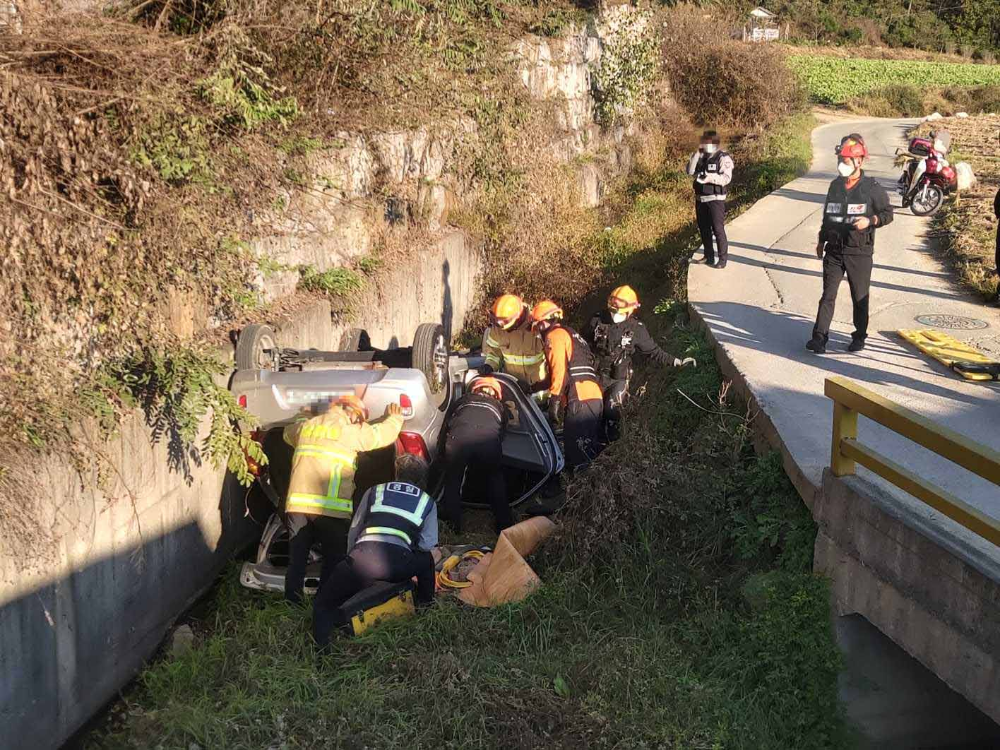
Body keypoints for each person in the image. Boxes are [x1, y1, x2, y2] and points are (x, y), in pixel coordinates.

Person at [282, 395, 404, 604]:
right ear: (351, 412)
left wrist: (305, 413)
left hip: (297, 507)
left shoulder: (306, 427)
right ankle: (325, 603)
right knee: (333, 560)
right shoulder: (348, 431)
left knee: (297, 560)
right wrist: (395, 418)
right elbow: (380, 435)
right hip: (331, 510)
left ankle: (292, 603)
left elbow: (287, 433)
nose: (359, 422)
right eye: (360, 417)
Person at [311, 454, 438, 649]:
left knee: (323, 605)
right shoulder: (427, 501)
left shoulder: (374, 491)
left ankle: (322, 653)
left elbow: (355, 528)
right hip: (398, 564)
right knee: (426, 560)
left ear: (396, 472)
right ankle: (425, 604)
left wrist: (351, 557)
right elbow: (427, 544)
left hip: (362, 560)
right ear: (421, 478)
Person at [808, 134, 893, 355]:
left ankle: (859, 336)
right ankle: (819, 338)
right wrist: (821, 239)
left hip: (860, 252)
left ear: (859, 161)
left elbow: (888, 214)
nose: (841, 166)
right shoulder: (835, 186)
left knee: (859, 296)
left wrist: (871, 220)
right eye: (839, 161)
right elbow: (829, 214)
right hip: (834, 250)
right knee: (828, 295)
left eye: (845, 162)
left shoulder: (872, 188)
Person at [584, 285, 696, 442]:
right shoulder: (596, 320)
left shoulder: (636, 329)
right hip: (595, 374)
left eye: (619, 312)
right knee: (590, 412)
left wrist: (677, 362)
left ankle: (610, 444)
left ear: (630, 311)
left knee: (612, 411)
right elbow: (582, 343)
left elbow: (654, 351)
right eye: (613, 310)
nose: (615, 315)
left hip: (618, 377)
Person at [531, 300, 604, 470]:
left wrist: (554, 401)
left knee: (576, 450)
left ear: (542, 323)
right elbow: (568, 369)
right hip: (593, 395)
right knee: (588, 446)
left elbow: (560, 372)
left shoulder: (554, 336)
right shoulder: (571, 333)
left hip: (579, 397)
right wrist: (533, 387)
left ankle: (577, 491)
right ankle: (593, 485)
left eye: (537, 326)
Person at [440, 376, 512, 534]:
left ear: (475, 389)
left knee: (453, 480)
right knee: (495, 479)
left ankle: (453, 527)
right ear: (496, 393)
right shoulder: (500, 407)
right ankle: (504, 525)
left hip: (457, 441)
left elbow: (448, 423)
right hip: (488, 443)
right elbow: (502, 434)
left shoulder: (462, 400)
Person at [482, 293, 547, 396]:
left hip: (538, 396)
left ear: (517, 319)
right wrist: (489, 365)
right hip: (513, 392)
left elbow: (555, 360)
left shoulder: (538, 327)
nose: (501, 326)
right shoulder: (498, 330)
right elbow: (494, 352)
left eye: (503, 323)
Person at [687, 129, 734, 269]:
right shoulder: (701, 156)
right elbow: (690, 171)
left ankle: (722, 259)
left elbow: (726, 178)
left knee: (718, 229)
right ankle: (709, 256)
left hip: (715, 199)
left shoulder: (723, 157)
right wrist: (697, 154)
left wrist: (710, 178)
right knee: (704, 229)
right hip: (700, 198)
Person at [904, 130, 950, 207]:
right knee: (917, 165)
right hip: (925, 158)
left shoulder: (940, 147)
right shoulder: (931, 142)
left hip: (934, 163)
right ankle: (910, 186)